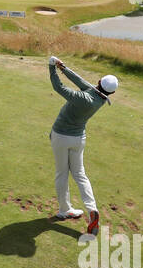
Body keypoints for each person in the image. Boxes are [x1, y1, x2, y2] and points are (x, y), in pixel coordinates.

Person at [46, 56, 118, 236]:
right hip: (78, 139)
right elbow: (79, 80)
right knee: (80, 174)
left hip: (61, 136)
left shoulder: (84, 97)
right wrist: (63, 68)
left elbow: (59, 87)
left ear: (99, 81)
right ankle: (92, 209)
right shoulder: (99, 99)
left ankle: (65, 210)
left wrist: (51, 67)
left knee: (62, 173)